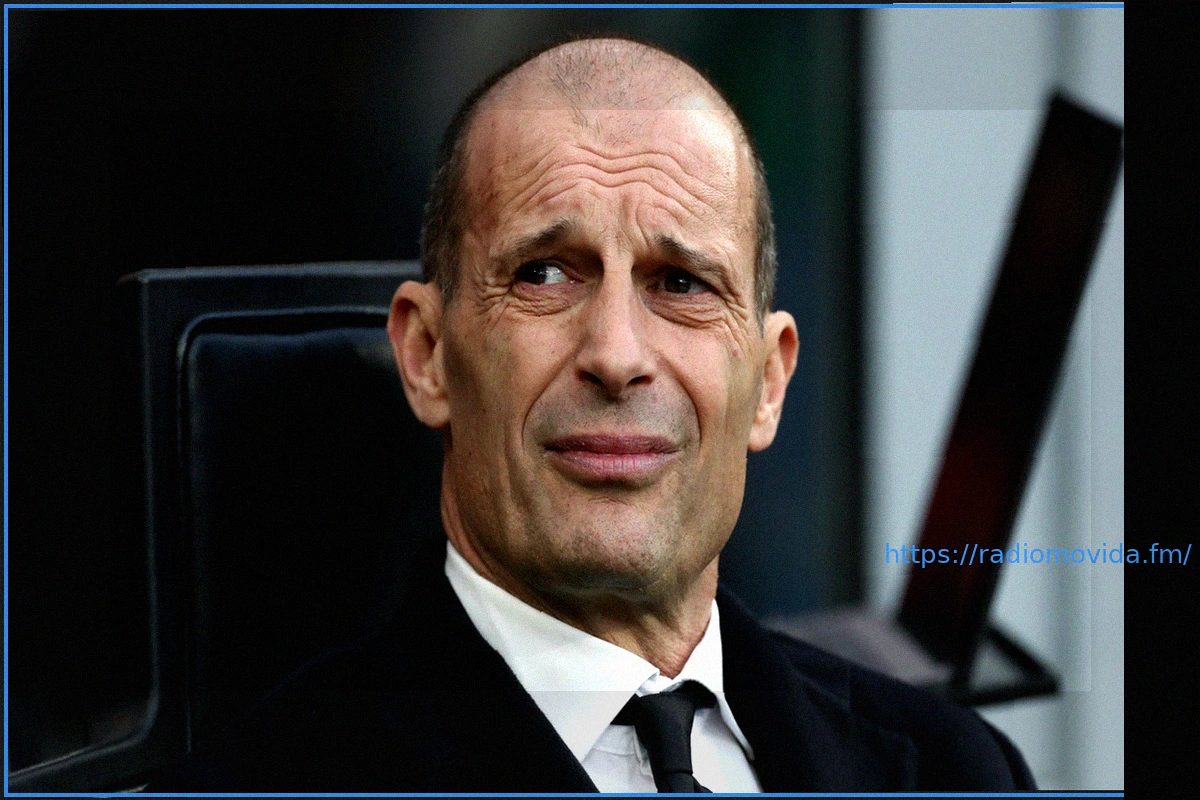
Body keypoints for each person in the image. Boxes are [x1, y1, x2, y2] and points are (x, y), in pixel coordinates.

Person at [153, 36, 1034, 793]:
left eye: (681, 283)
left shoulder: (956, 770)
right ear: (427, 356)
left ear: (768, 382)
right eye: (543, 274)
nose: (616, 353)